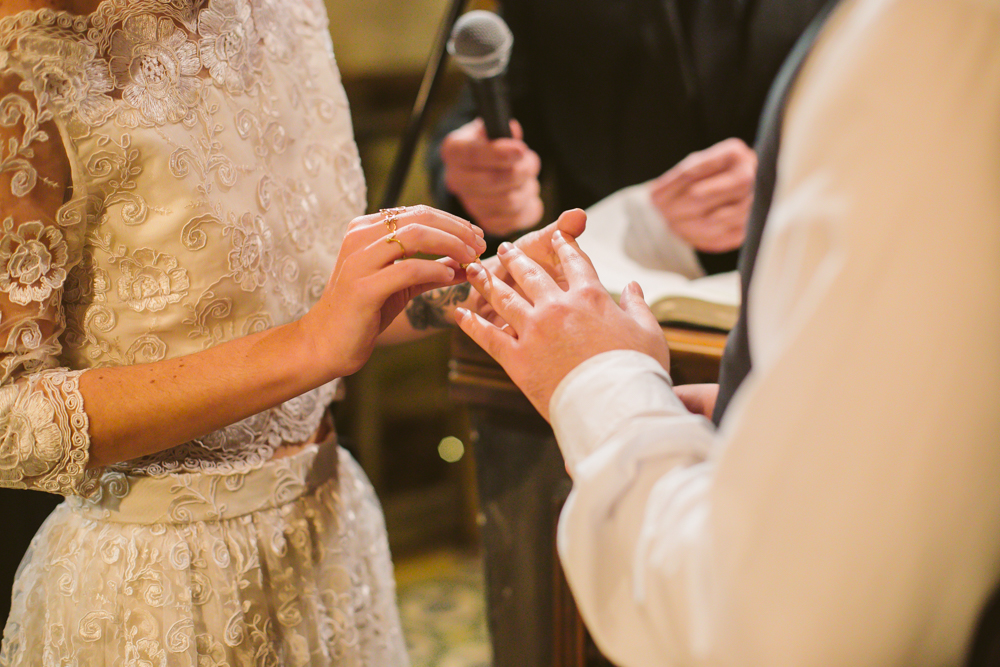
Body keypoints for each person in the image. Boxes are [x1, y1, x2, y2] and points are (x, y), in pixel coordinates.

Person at [0, 0, 583, 662]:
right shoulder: (31, 51)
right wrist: (307, 343)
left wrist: (488, 282)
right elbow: (9, 420)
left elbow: (321, 316)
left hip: (330, 539)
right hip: (162, 590)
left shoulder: (292, 11)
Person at [454, 0, 1000, 665]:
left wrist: (606, 386)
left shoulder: (929, 36)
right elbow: (497, 117)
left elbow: (785, 626)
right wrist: (481, 181)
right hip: (618, 347)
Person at [429, 0, 827, 271]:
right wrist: (477, 179)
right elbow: (480, 122)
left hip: (809, 283)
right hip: (605, 303)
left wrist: (786, 176)